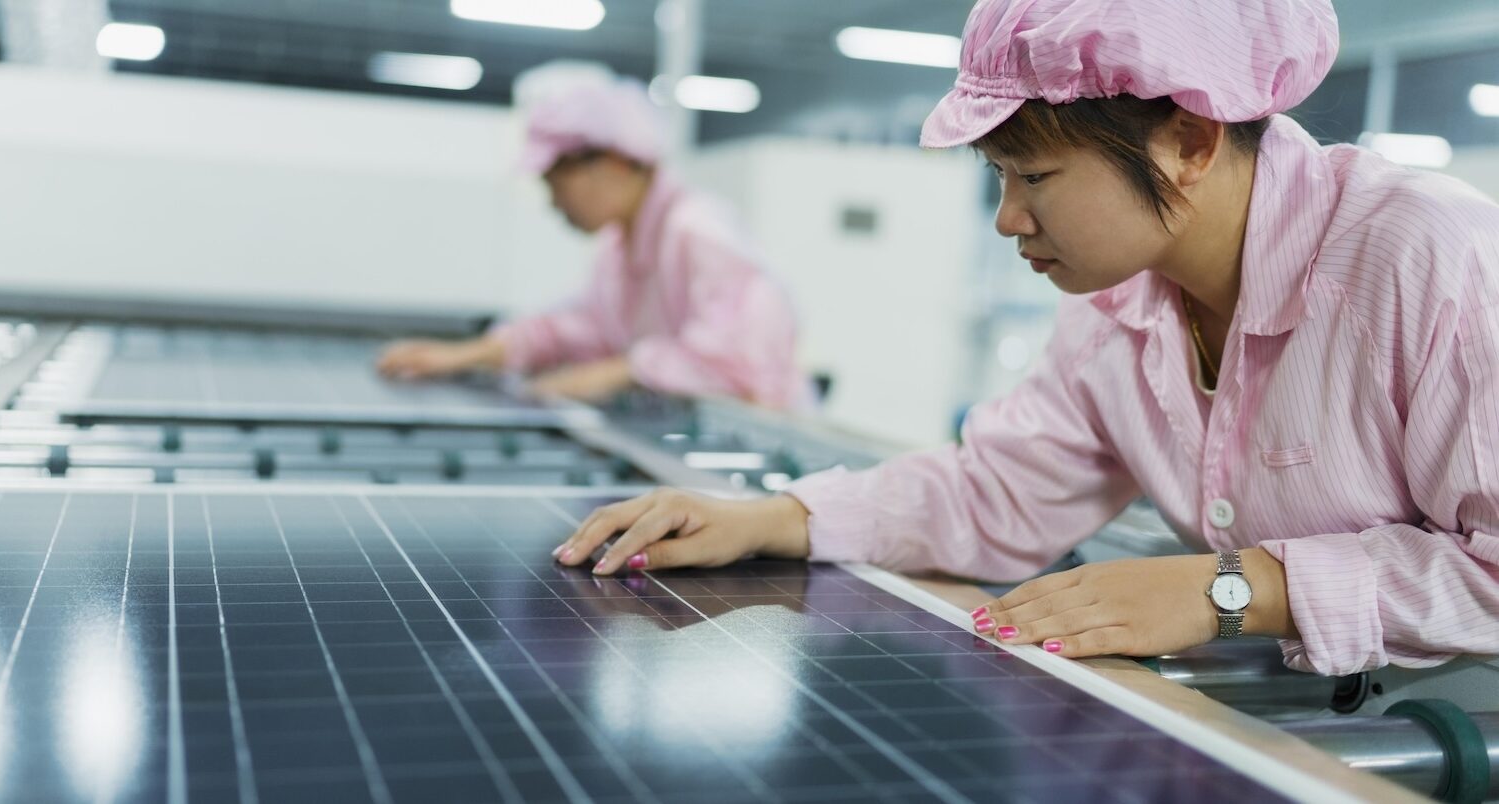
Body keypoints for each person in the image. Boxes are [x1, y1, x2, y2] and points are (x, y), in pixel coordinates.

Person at [551, 0, 1499, 677]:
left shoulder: (1425, 256)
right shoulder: (1118, 299)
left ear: (1189, 140)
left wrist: (1238, 590)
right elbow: (999, 489)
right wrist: (775, 519)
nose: (1008, 220)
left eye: (1033, 175)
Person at [377, 79, 811, 410]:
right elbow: (577, 327)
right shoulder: (620, 248)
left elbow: (741, 359)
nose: (553, 201)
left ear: (615, 162)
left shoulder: (697, 230)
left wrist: (615, 372)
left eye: (556, 181)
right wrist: (465, 355)